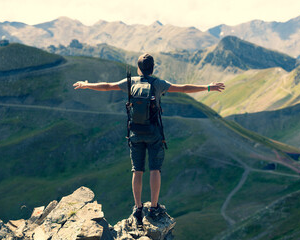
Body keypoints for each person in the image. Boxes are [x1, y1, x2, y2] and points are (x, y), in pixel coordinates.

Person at [73, 53, 225, 224]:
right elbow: (183, 88)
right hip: (154, 133)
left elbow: (107, 86)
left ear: (138, 68)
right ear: (153, 68)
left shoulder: (130, 82)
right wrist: (208, 87)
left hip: (135, 132)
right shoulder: (158, 84)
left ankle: (138, 208)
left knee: (137, 170)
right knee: (155, 169)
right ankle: (154, 207)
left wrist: (87, 85)